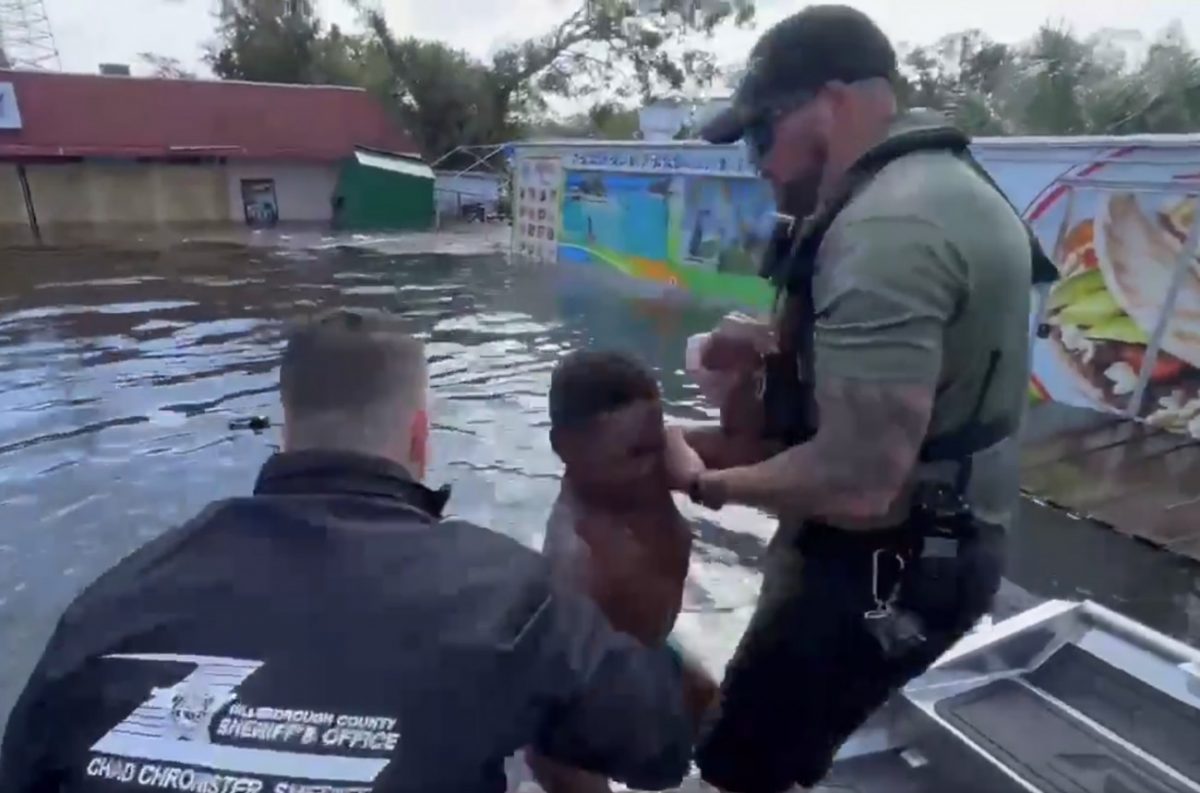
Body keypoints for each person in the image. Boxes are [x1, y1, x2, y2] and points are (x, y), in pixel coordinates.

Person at [0, 309, 714, 793]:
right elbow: (655, 748)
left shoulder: (111, 601)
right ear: (418, 435)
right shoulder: (512, 595)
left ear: (286, 427)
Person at [673, 6, 1049, 792]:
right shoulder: (928, 185)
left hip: (890, 560)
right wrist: (769, 354)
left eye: (759, 133)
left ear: (833, 102)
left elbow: (860, 478)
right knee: (780, 731)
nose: (756, 162)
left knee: (745, 759)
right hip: (927, 536)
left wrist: (701, 479)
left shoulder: (889, 227)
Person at [528, 350, 698, 793]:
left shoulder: (637, 474)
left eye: (658, 442)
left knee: (741, 729)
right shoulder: (579, 558)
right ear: (566, 448)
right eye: (636, 453)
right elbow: (559, 692)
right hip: (582, 708)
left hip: (649, 652)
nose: (656, 466)